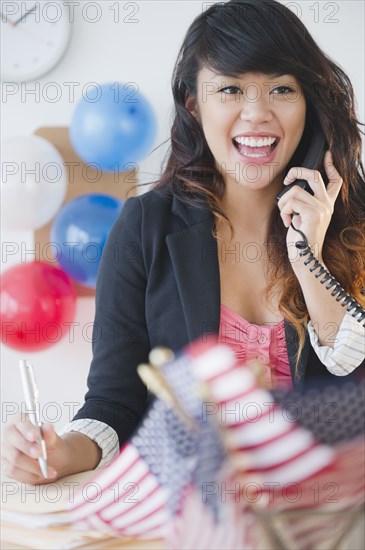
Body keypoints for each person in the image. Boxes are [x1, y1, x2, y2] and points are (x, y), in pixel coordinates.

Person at [2, 0, 364, 485]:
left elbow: (354, 388)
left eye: (281, 88)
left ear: (308, 102)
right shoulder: (145, 228)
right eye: (231, 89)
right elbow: (115, 401)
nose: (256, 113)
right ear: (194, 103)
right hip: (198, 510)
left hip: (329, 511)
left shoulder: (351, 223)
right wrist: (63, 452)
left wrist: (307, 256)